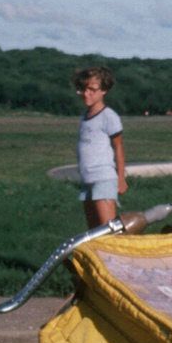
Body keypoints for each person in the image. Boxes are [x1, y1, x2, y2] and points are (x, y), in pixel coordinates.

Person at [73, 65, 127, 228]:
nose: (86, 93)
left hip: (103, 179)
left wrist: (121, 179)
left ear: (104, 90)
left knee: (107, 231)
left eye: (92, 89)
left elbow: (118, 148)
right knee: (93, 233)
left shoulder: (108, 116)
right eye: (83, 89)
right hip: (88, 180)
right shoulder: (85, 115)